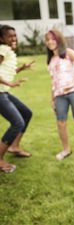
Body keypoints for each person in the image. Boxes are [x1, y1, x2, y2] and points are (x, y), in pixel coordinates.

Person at [45, 29, 74, 161]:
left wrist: (73, 82)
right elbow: (53, 80)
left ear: (58, 39)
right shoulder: (50, 60)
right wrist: (52, 98)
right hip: (59, 95)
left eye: (52, 39)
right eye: (47, 40)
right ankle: (66, 150)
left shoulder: (68, 52)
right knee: (61, 123)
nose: (50, 42)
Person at [0, 25, 34, 173]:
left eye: (15, 35)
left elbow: (6, 69)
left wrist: (21, 68)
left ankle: (14, 146)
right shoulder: (2, 49)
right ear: (1, 39)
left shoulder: (7, 51)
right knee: (17, 122)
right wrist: (10, 83)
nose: (14, 38)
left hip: (4, 92)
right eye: (10, 36)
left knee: (26, 113)